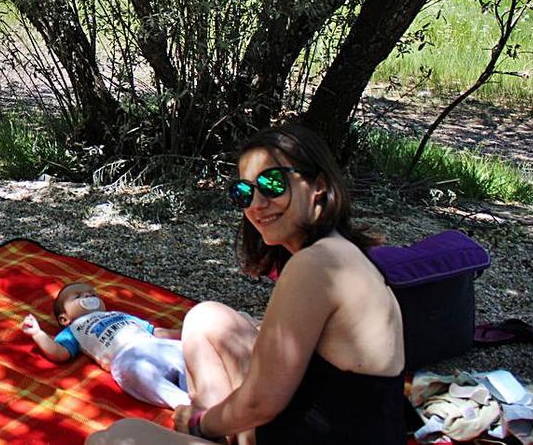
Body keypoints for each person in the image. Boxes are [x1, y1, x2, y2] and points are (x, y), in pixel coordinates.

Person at [89, 123, 405, 444]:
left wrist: (200, 424)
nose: (255, 204)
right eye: (244, 192)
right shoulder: (341, 253)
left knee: (113, 438)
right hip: (323, 422)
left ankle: (204, 431)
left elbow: (261, 402)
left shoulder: (315, 266)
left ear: (319, 185)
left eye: (271, 183)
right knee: (206, 317)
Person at [20, 282, 190, 408]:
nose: (88, 297)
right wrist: (37, 333)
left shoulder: (118, 314)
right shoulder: (74, 328)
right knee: (140, 375)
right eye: (78, 296)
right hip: (125, 357)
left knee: (185, 355)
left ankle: (203, 392)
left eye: (92, 294)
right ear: (64, 319)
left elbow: (156, 331)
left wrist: (189, 334)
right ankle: (187, 407)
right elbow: (59, 353)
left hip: (152, 344)